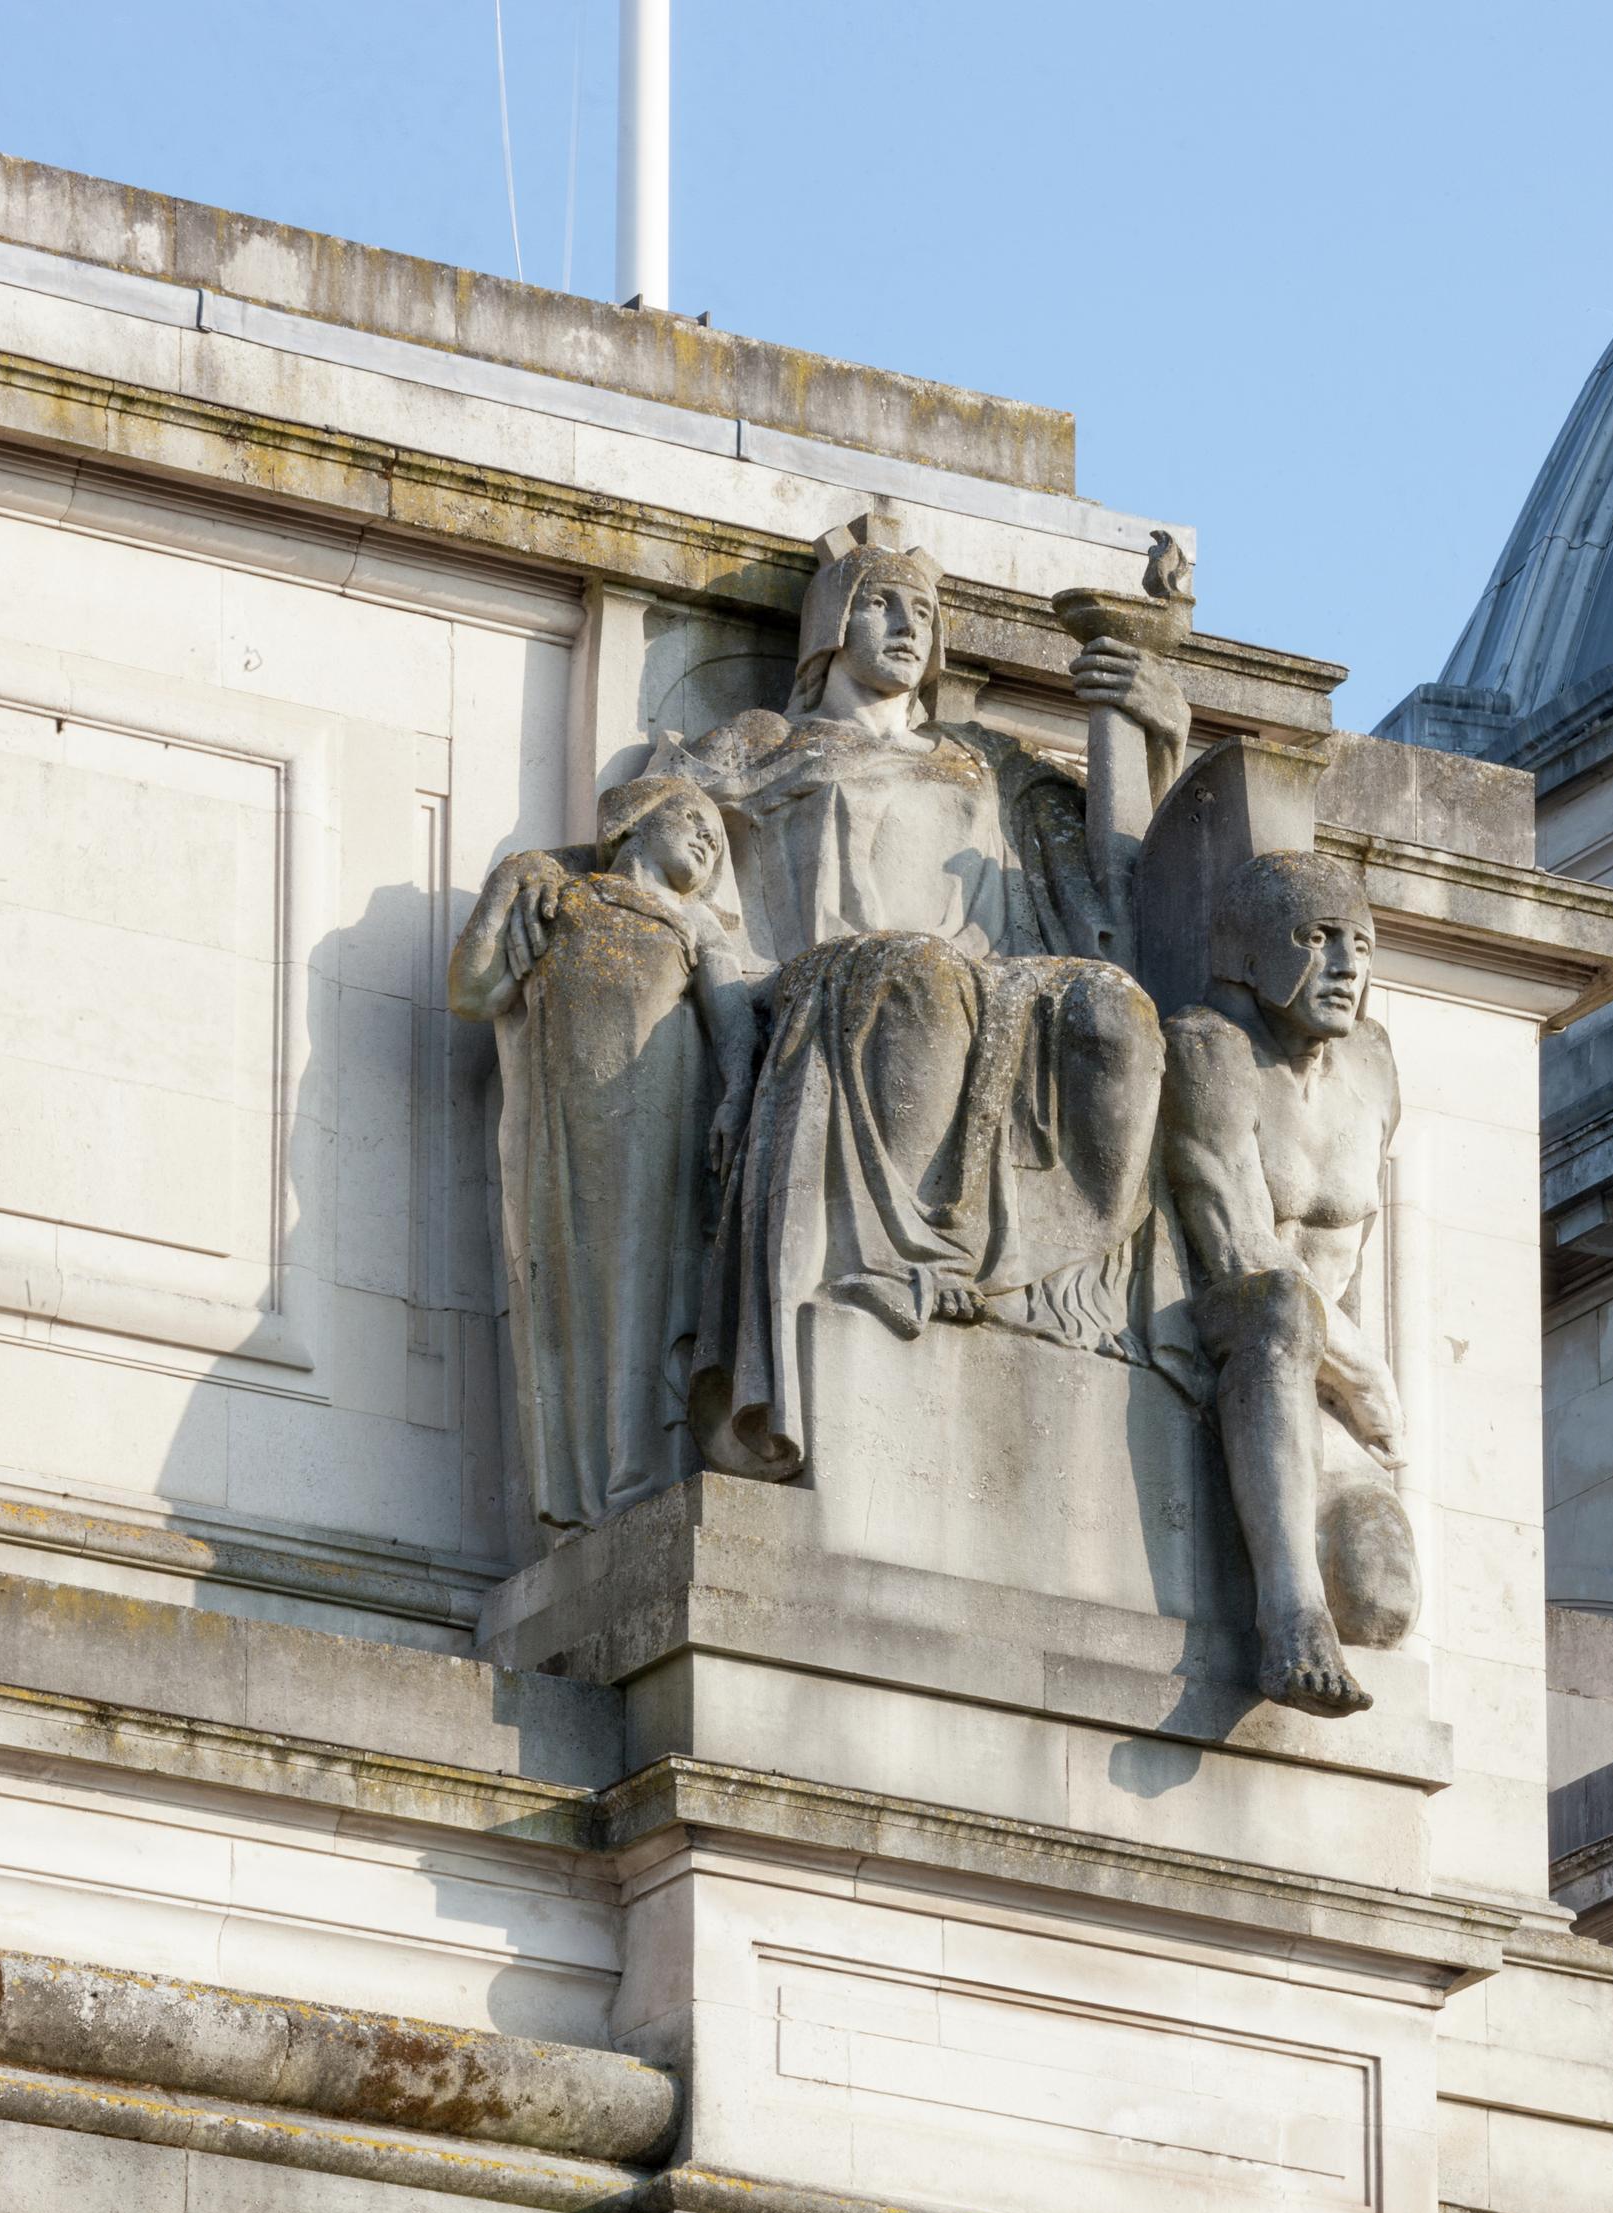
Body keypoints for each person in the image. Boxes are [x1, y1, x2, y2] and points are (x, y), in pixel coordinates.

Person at [665, 518, 1198, 1480]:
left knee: (1113, 1010)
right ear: (831, 626)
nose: (906, 627)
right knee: (919, 972)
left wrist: (1153, 731)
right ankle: (899, 1259)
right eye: (880, 604)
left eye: (923, 612)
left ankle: (1045, 1284)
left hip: (997, 992)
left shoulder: (982, 761)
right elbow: (661, 841)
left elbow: (1118, 889)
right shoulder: (766, 748)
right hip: (823, 988)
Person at [449, 777, 755, 1535]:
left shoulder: (695, 926)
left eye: (718, 838)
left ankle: (640, 1469)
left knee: (645, 1286)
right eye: (694, 818)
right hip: (560, 1130)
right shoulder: (562, 897)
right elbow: (474, 991)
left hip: (660, 1125)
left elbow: (734, 1022)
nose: (710, 840)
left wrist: (738, 1092)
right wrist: (513, 879)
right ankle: (587, 1482)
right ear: (632, 824)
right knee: (569, 1290)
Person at [1160, 851, 1420, 1716]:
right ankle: (1289, 1614)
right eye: (1318, 940)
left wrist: (1356, 1402)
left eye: (1363, 946)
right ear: (1251, 951)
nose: (1347, 968)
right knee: (1280, 1306)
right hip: (1234, 1333)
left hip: (1323, 1397)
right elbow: (1237, 1244)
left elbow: (1357, 1256)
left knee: (1383, 1604)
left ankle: (1326, 1586)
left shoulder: (1374, 1065)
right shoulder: (1210, 1048)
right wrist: (1368, 1372)